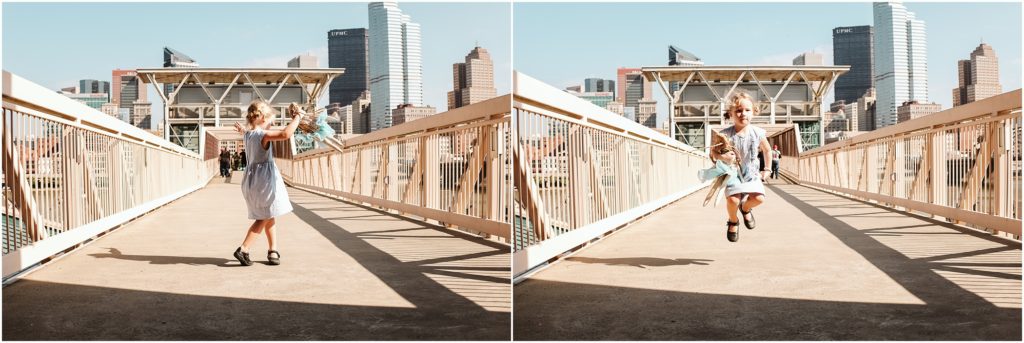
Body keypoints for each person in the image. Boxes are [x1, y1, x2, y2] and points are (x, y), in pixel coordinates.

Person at [232, 99, 304, 266]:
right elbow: (286, 134)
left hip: (252, 180)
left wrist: (242, 129)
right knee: (263, 217)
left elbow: (249, 134)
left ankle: (273, 251)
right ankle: (244, 249)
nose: (272, 125)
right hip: (264, 182)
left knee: (269, 215)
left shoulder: (248, 134)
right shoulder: (263, 135)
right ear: (262, 117)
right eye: (271, 121)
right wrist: (298, 117)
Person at [710, 91, 772, 242]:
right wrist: (721, 156)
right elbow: (712, 154)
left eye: (747, 110)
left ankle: (745, 208)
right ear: (730, 113)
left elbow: (767, 150)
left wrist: (768, 169)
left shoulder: (757, 133)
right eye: (738, 110)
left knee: (759, 198)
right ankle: (733, 220)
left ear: (754, 112)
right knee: (733, 200)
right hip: (732, 174)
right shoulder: (725, 135)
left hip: (751, 173)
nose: (742, 113)